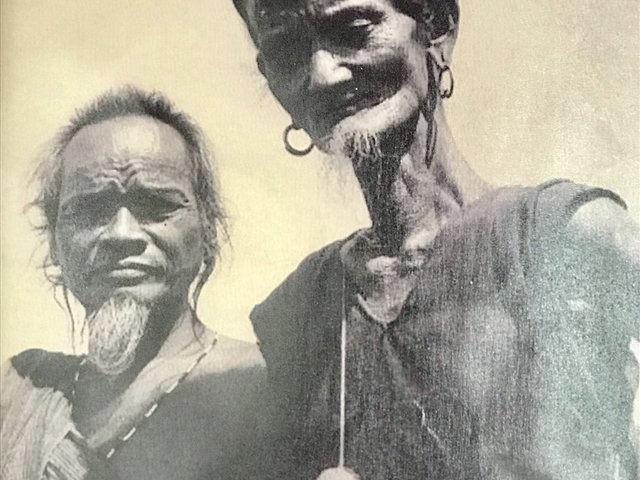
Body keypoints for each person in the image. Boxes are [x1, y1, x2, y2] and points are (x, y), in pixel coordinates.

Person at [231, 0, 640, 479]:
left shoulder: (559, 235)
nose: (322, 75)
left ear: (436, 24)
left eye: (354, 28)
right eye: (286, 48)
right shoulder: (299, 310)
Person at [0, 87, 267, 479]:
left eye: (155, 206)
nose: (121, 234)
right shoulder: (18, 390)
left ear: (209, 230)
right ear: (54, 243)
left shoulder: (267, 386)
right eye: (90, 210)